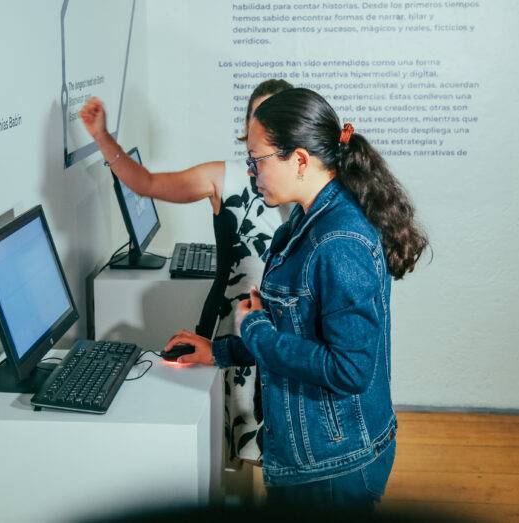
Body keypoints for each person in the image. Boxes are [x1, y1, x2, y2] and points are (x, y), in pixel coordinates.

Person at [165, 88, 428, 509]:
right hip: (317, 457)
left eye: (258, 160)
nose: (251, 172)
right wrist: (220, 351)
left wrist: (253, 329)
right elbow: (297, 331)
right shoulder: (308, 218)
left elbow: (350, 369)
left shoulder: (339, 241)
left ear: (300, 159)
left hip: (334, 467)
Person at [78, 79, 292, 467]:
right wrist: (102, 137)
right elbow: (147, 183)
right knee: (228, 446)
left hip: (279, 332)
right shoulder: (221, 177)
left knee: (276, 446)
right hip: (228, 326)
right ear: (247, 127)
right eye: (260, 117)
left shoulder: (301, 185)